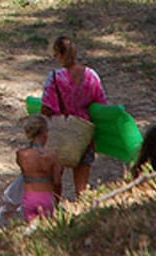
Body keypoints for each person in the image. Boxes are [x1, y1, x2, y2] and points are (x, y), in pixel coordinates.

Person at [40, 35, 108, 198]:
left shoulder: (55, 77)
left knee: (55, 179)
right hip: (83, 132)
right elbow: (101, 104)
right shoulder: (91, 75)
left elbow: (46, 108)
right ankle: (82, 215)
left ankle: (57, 214)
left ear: (59, 54)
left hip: (60, 131)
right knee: (82, 187)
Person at [16, 115, 63, 220]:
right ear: (45, 133)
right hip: (46, 197)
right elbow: (57, 182)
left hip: (29, 197)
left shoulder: (21, 155)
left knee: (31, 231)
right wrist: (57, 199)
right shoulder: (52, 156)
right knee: (46, 230)